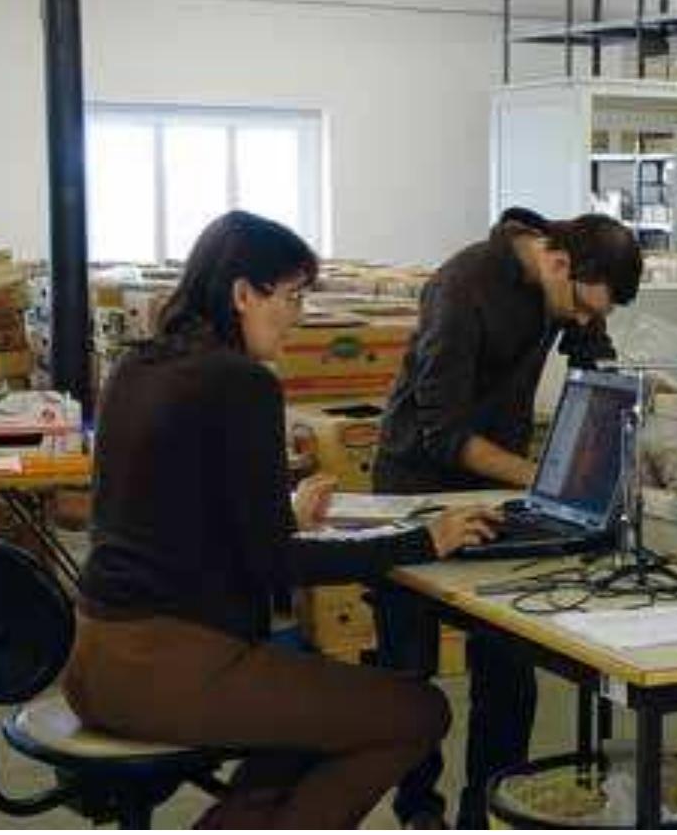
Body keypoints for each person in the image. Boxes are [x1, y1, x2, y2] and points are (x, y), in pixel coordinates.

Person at [61, 210, 502, 830]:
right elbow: (275, 564)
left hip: (95, 658)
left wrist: (286, 513)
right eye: (291, 298)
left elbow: (175, 511)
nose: (297, 317)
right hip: (170, 667)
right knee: (418, 711)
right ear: (243, 293)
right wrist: (423, 538)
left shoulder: (139, 367)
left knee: (315, 711)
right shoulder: (241, 382)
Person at [372, 208, 642, 828]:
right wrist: (549, 478)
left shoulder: (573, 284)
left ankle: (485, 813)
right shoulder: (461, 289)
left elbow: (593, 360)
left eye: (594, 314)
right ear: (557, 262)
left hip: (498, 493)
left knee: (508, 669)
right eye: (579, 307)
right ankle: (420, 812)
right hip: (416, 486)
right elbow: (443, 434)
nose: (580, 321)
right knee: (410, 678)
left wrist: (619, 439)